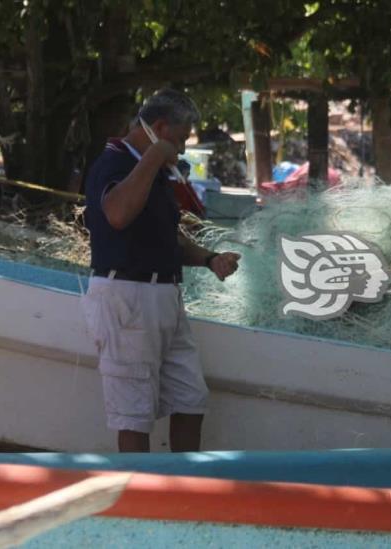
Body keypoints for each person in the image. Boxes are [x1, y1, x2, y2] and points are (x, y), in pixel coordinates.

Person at [81, 89, 240, 452]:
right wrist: (154, 157)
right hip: (127, 295)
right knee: (134, 413)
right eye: (181, 139)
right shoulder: (114, 162)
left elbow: (163, 238)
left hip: (165, 294)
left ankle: (183, 490)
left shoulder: (155, 171)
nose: (182, 150)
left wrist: (208, 258)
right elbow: (118, 214)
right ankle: (142, 499)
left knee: (190, 397)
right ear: (160, 128)